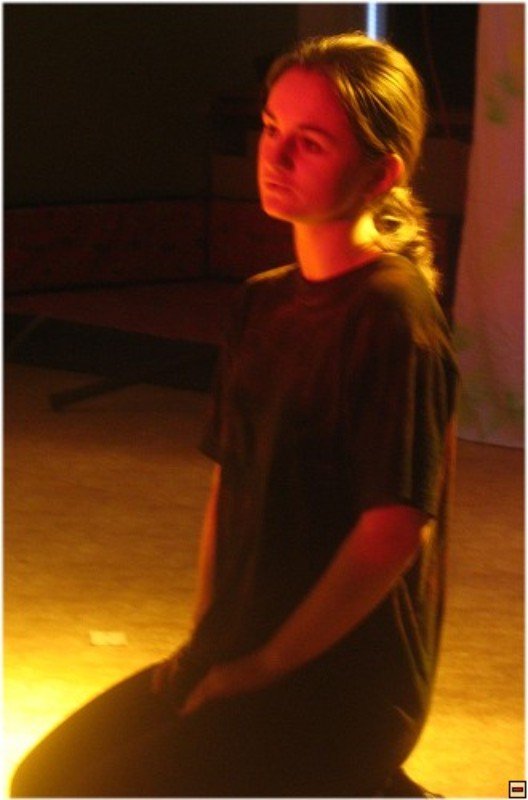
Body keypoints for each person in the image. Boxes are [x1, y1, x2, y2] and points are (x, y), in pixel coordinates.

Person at [11, 31, 458, 798]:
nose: (274, 155)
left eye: (310, 142)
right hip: (244, 644)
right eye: (271, 128)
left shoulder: (392, 313)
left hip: (341, 684)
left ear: (381, 172)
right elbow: (232, 485)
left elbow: (392, 531)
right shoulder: (262, 301)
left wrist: (260, 669)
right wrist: (207, 643)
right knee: (41, 781)